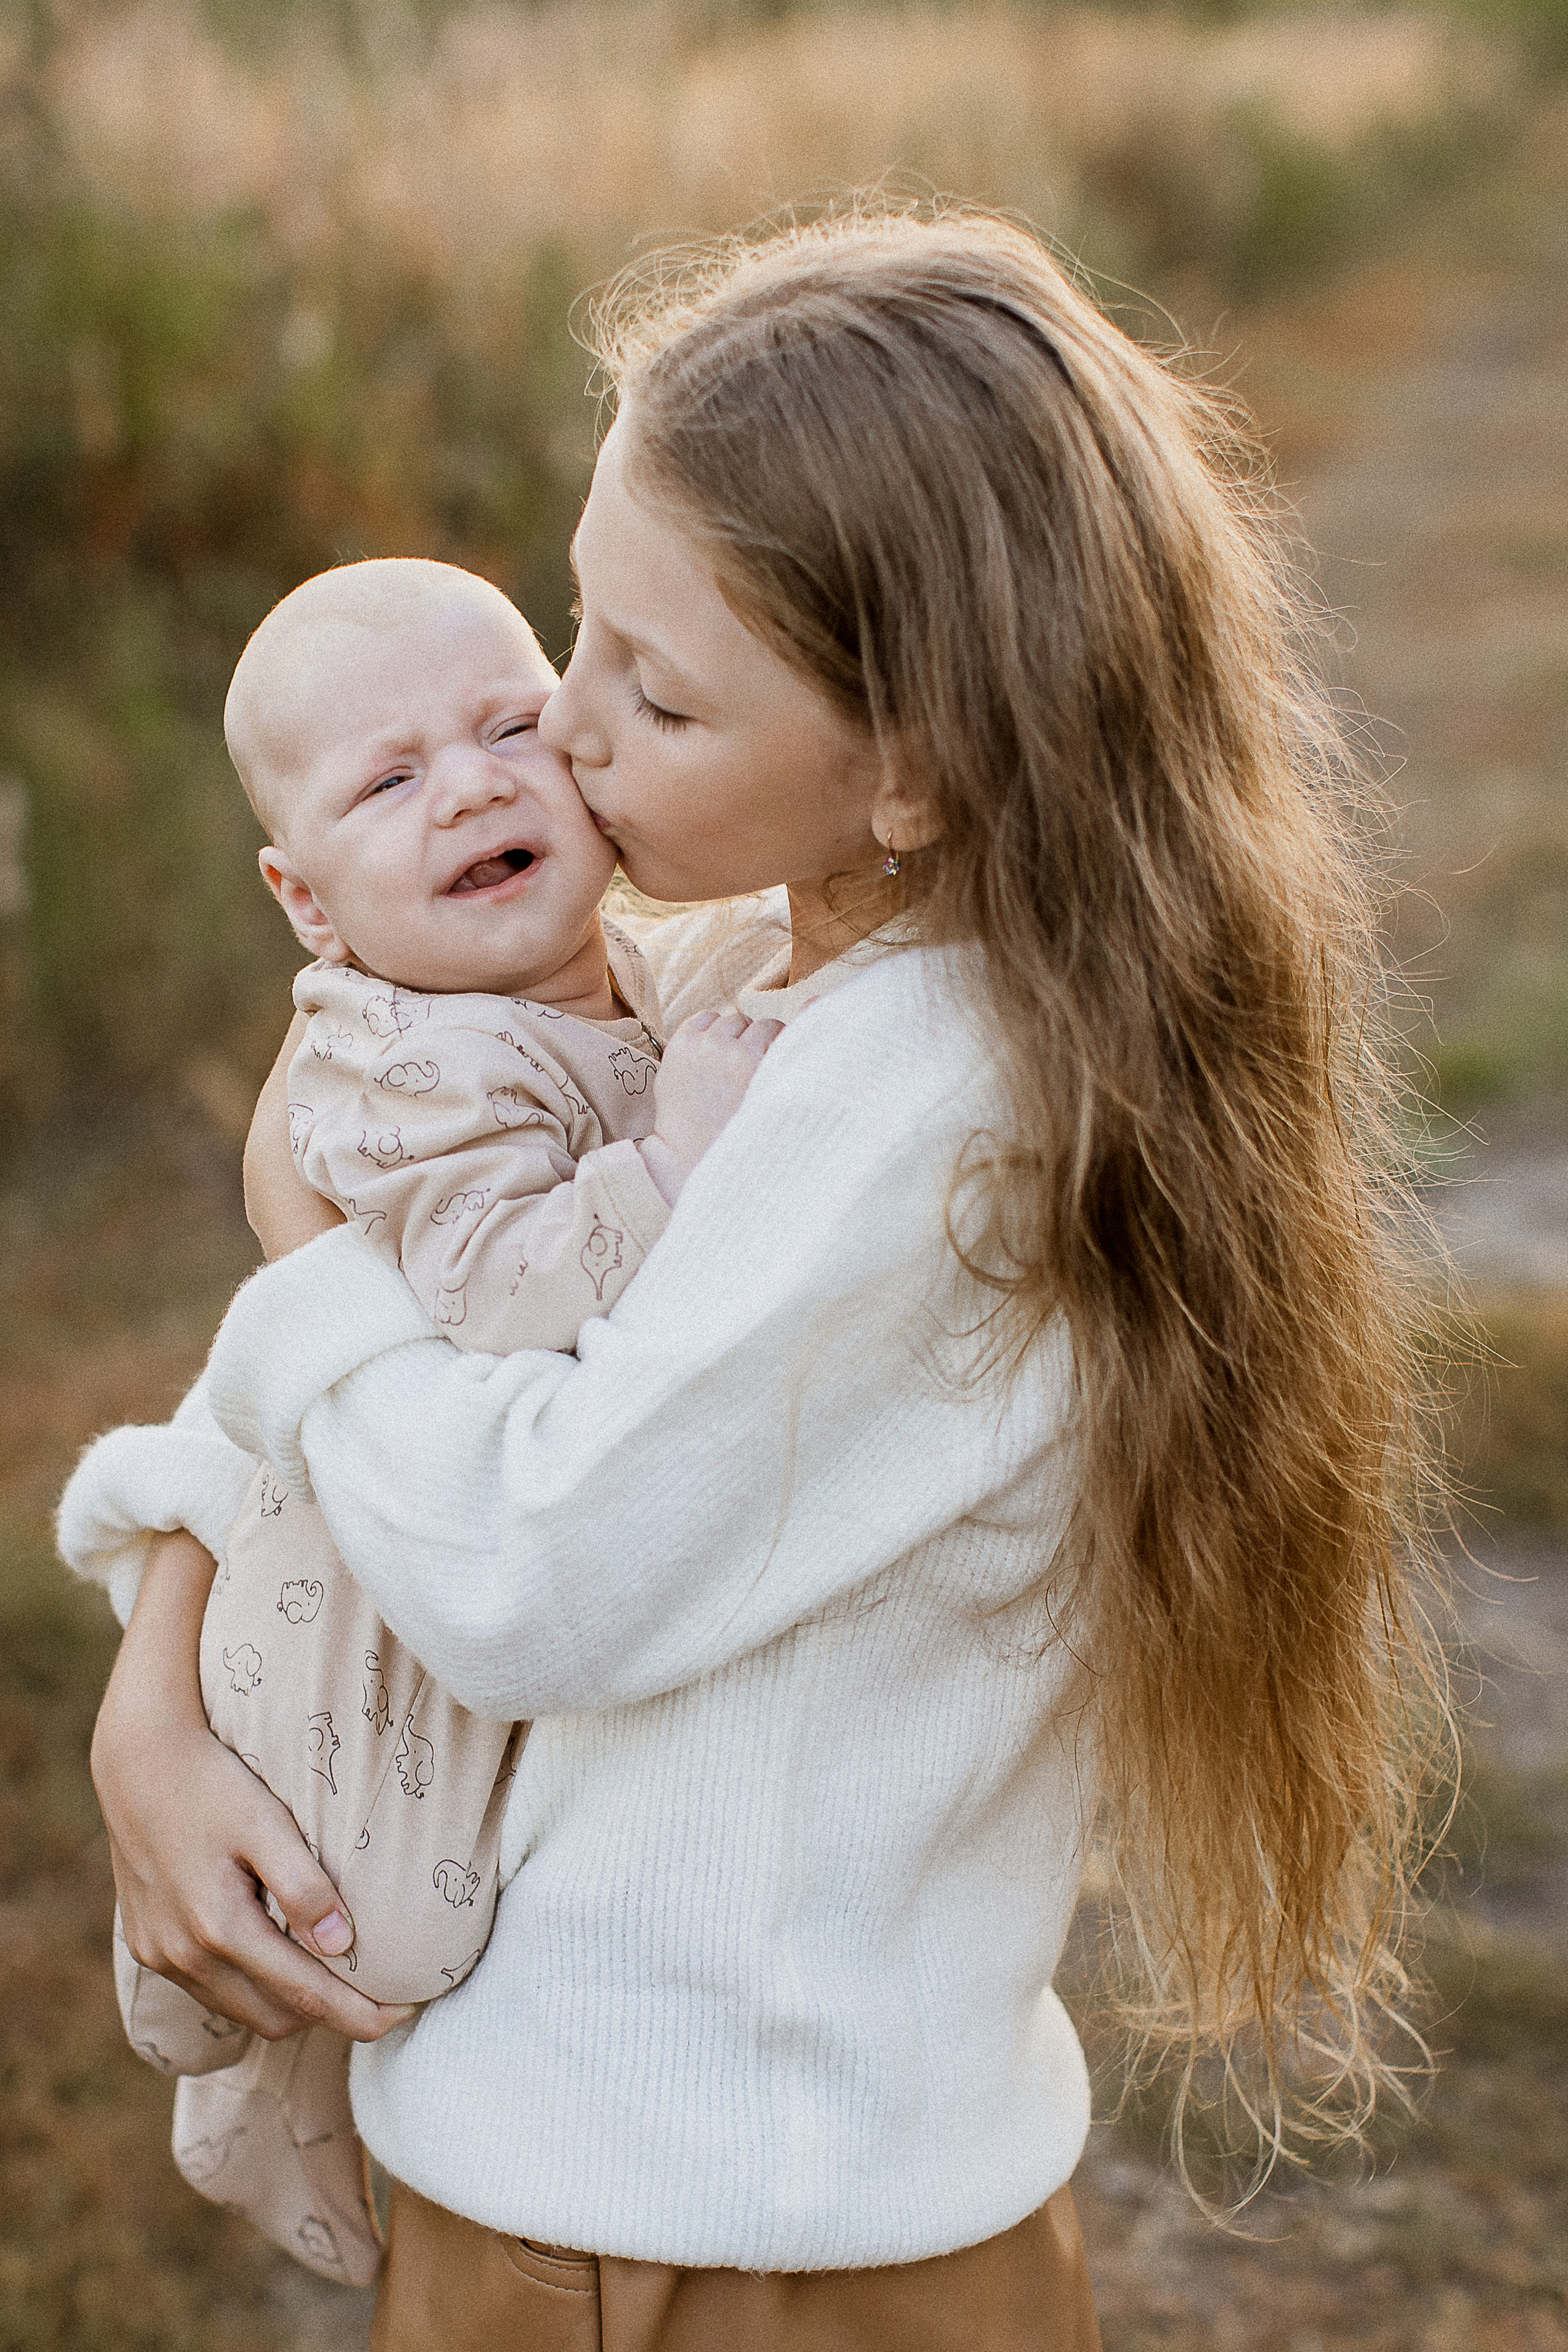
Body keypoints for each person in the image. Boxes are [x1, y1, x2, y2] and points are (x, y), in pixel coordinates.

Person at [61, 205, 1441, 2351]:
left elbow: (534, 1560)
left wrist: (305, 1264)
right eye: (574, 635)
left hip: (722, 2226)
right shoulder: (744, 962)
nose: (564, 744)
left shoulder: (928, 1104)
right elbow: (400, 1363)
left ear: (915, 760)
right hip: (647, 2178)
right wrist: (159, 1681)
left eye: (648, 690)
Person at [80, 554, 782, 2285]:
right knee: (358, 1913)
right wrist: (677, 1160)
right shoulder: (397, 1064)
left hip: (439, 1567)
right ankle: (242, 2104)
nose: (470, 783)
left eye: (508, 728)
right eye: (391, 781)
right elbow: (504, 1291)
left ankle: (288, 2102)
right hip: (342, 1614)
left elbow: (717, 977)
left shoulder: (625, 971)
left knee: (406, 1890)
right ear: (307, 904)